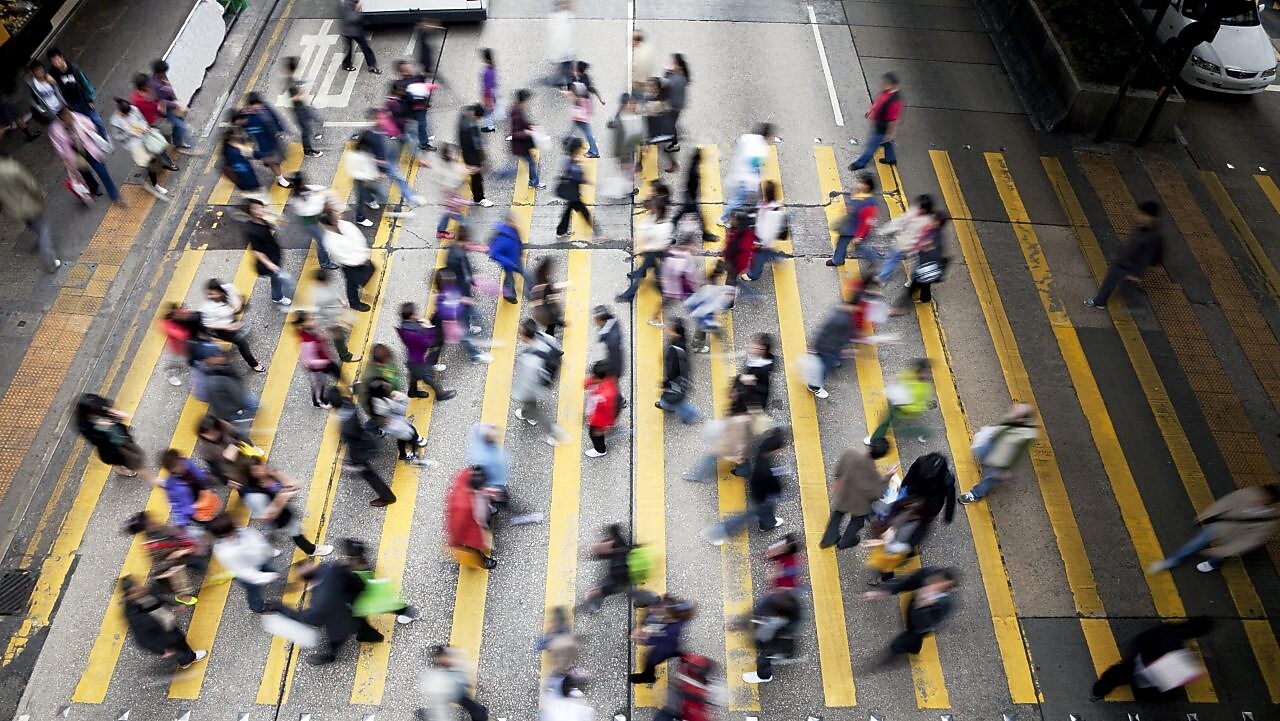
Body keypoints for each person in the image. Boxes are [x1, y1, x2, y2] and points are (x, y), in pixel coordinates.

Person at [1147, 484, 1280, 574]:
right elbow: (1224, 503)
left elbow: (1250, 541)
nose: (1255, 498)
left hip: (1234, 539)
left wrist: (1225, 550)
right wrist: (1208, 514)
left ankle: (1214, 563)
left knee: (1220, 554)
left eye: (1261, 499)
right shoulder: (1247, 494)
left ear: (1269, 502)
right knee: (1194, 544)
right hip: (1219, 527)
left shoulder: (1269, 520)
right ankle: (1172, 560)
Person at [1090, 618, 1213, 700]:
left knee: (1117, 675)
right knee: (1128, 678)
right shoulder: (1175, 648)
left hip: (1140, 657)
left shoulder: (1168, 633)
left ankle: (1099, 691)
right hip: (1150, 669)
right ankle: (1101, 690)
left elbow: (1147, 637)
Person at [704, 426, 789, 544]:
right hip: (763, 495)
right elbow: (771, 482)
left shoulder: (762, 449)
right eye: (779, 449)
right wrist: (778, 490)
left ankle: (767, 523)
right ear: (774, 449)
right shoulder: (766, 468)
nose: (780, 451)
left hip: (757, 489)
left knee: (764, 511)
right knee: (749, 516)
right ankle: (720, 531)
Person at [291, 552, 379, 665]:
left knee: (336, 641)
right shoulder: (330, 568)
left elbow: (314, 618)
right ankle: (372, 636)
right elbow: (351, 577)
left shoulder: (318, 598)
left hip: (341, 621)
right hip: (353, 607)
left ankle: (330, 656)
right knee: (362, 626)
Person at [860, 566, 958, 666]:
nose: (934, 585)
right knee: (913, 638)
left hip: (920, 626)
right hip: (911, 615)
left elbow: (924, 625)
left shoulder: (945, 604)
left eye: (940, 585)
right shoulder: (926, 575)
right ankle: (913, 649)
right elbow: (906, 584)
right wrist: (880, 593)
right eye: (937, 581)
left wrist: (922, 604)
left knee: (903, 641)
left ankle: (893, 654)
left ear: (948, 588)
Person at [240, 460, 334, 556]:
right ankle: (311, 550)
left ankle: (273, 535)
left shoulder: (269, 474)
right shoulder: (256, 495)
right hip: (280, 519)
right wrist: (281, 499)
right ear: (252, 475)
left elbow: (292, 484)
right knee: (297, 532)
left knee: (294, 527)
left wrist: (279, 477)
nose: (262, 469)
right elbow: (267, 517)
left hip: (285, 509)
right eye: (256, 470)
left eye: (260, 465)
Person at [1084, 200, 1165, 308]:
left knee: (1123, 286)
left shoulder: (1151, 237)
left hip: (1128, 266)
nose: (1138, 216)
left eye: (1142, 215)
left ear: (1151, 218)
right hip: (1123, 262)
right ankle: (1100, 301)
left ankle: (1136, 306)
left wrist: (1136, 274)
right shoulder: (1142, 228)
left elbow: (1145, 258)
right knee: (1112, 282)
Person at [119, 576, 207, 669]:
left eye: (137, 586)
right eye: (135, 591)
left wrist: (173, 606)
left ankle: (185, 657)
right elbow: (142, 640)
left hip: (165, 623)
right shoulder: (133, 615)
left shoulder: (143, 593)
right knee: (178, 645)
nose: (139, 590)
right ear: (129, 596)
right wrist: (162, 651)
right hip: (160, 634)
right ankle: (188, 660)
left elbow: (158, 599)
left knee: (180, 639)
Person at [822, 437, 894, 549]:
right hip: (860, 504)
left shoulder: (850, 453)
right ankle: (846, 541)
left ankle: (828, 539)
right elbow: (877, 494)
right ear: (881, 456)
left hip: (844, 493)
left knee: (837, 515)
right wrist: (887, 477)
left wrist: (838, 479)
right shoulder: (874, 476)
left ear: (870, 446)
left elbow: (839, 469)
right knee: (857, 522)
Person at [958, 403, 1038, 504]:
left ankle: (975, 494)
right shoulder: (1014, 419)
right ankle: (987, 463)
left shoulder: (1024, 436)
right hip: (995, 446)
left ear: (1022, 419)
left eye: (1017, 411)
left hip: (1001, 460)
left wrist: (1006, 469)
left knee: (990, 478)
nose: (1013, 410)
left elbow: (1016, 455)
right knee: (981, 452)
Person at [512, 318, 570, 446]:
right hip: (549, 377)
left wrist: (517, 395)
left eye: (520, 332)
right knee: (530, 406)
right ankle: (528, 414)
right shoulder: (546, 338)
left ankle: (553, 433)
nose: (519, 334)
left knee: (533, 407)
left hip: (535, 386)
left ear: (525, 336)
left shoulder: (529, 359)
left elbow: (526, 384)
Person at [125, 512, 204, 606]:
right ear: (145, 527)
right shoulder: (153, 544)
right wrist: (184, 551)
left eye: (149, 519)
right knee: (178, 578)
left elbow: (174, 535)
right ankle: (182, 596)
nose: (152, 521)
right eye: (148, 522)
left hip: (178, 553)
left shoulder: (156, 529)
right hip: (169, 565)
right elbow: (168, 559)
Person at [207, 512, 279, 613]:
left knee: (271, 570)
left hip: (260, 560)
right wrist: (266, 577)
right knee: (253, 590)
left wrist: (267, 550)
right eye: (233, 526)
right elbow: (245, 573)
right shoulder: (226, 552)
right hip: (248, 573)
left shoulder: (239, 531)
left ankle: (274, 580)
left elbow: (256, 538)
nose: (237, 525)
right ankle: (257, 607)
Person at [683, 385, 756, 483]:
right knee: (741, 460)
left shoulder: (739, 419)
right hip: (732, 440)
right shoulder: (743, 410)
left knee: (711, 456)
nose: (731, 393)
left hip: (730, 443)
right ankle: (744, 470)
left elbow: (739, 438)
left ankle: (696, 475)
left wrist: (739, 454)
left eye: (734, 392)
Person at [76, 393, 155, 483]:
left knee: (124, 459)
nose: (103, 409)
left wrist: (114, 415)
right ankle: (153, 480)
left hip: (120, 438)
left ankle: (120, 467)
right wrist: (101, 427)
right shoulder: (85, 426)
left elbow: (116, 415)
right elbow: (95, 440)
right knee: (135, 461)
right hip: (114, 447)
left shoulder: (101, 408)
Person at [0, 154, 60, 272]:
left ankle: (41, 239)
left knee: (33, 224)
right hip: (29, 204)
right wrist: (39, 197)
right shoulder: (14, 168)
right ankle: (50, 261)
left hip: (14, 209)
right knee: (44, 229)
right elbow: (31, 185)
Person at [49, 107, 120, 205]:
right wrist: (64, 158)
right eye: (67, 116)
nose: (70, 117)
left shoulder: (77, 117)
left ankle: (114, 194)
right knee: (85, 172)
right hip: (74, 154)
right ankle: (94, 188)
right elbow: (58, 146)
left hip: (88, 148)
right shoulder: (55, 129)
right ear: (61, 118)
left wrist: (89, 131)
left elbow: (91, 125)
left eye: (69, 113)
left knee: (102, 171)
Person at [110, 97, 176, 201]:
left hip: (144, 138)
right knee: (150, 163)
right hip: (134, 145)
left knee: (152, 160)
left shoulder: (133, 110)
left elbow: (142, 119)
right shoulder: (115, 121)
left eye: (128, 113)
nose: (128, 115)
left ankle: (150, 177)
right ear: (120, 112)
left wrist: (144, 127)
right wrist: (129, 133)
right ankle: (155, 185)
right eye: (125, 114)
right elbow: (117, 136)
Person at [616, 192, 674, 302]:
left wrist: (643, 248)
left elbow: (662, 245)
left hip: (657, 254)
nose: (650, 210)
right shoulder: (653, 218)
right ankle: (641, 278)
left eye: (652, 208)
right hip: (651, 252)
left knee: (657, 276)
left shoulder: (665, 226)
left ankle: (630, 294)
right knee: (650, 272)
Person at [740, 587, 803, 684]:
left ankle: (764, 676)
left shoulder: (781, 621)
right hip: (773, 635)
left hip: (773, 640)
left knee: (764, 657)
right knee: (768, 650)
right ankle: (777, 656)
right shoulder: (784, 605)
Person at [200, 279, 265, 371]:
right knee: (242, 342)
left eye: (214, 293)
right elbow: (208, 324)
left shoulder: (228, 288)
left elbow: (237, 296)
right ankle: (254, 364)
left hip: (230, 318)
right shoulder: (207, 307)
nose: (212, 296)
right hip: (222, 329)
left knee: (242, 327)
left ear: (220, 290)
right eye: (210, 294)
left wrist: (238, 303)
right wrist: (227, 327)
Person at [865, 358, 934, 445]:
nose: (922, 374)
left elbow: (918, 406)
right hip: (899, 403)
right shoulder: (913, 373)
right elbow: (903, 377)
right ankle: (924, 432)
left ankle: (924, 432)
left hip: (904, 409)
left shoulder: (924, 389)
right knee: (888, 423)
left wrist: (904, 406)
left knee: (896, 428)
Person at [397, 302, 457, 401]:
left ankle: (412, 392)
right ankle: (440, 394)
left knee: (414, 374)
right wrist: (429, 327)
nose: (417, 314)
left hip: (412, 357)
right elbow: (429, 342)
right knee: (429, 376)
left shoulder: (404, 326)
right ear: (411, 316)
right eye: (415, 313)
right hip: (420, 359)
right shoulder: (414, 331)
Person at [892, 210, 948, 314]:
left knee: (912, 288)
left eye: (934, 220)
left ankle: (900, 308)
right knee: (925, 284)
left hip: (925, 267)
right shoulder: (933, 232)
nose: (932, 220)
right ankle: (926, 298)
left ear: (938, 223)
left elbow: (935, 254)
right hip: (926, 267)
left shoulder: (936, 237)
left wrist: (927, 247)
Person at [367, 378, 433, 464]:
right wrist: (400, 399)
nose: (388, 386)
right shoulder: (382, 404)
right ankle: (414, 454)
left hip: (395, 421)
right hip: (396, 424)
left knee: (404, 436)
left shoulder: (379, 400)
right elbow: (401, 411)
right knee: (409, 434)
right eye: (385, 386)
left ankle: (404, 453)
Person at [630, 596, 694, 684]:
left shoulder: (671, 630)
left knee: (651, 661)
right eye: (658, 607)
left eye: (661, 613)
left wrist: (641, 638)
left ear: (671, 619)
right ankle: (682, 655)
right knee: (675, 650)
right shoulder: (671, 609)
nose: (653, 610)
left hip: (665, 647)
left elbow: (655, 639)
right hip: (670, 643)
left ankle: (648, 677)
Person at [242, 198, 295, 305]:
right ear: (251, 212)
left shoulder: (262, 220)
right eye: (257, 208)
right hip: (268, 261)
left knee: (276, 278)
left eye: (261, 207)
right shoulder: (252, 230)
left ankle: (277, 294)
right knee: (276, 279)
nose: (261, 210)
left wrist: (277, 220)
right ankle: (277, 297)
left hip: (273, 254)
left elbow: (277, 225)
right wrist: (269, 264)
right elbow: (256, 251)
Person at [445, 466, 499, 569]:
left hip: (478, 512)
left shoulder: (466, 476)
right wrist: (455, 542)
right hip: (472, 528)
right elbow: (456, 526)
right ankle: (482, 561)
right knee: (475, 548)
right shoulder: (462, 506)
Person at [321, 209, 375, 311]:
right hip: (350, 265)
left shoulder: (344, 225)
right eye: (335, 215)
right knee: (352, 283)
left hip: (361, 258)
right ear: (332, 222)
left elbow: (358, 237)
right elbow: (342, 257)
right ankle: (354, 302)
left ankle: (360, 285)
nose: (338, 214)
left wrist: (364, 253)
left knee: (368, 272)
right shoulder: (330, 240)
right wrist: (360, 260)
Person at [719, 123, 773, 225]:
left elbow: (738, 141)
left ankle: (755, 217)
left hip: (739, 172)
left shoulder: (748, 138)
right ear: (767, 136)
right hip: (746, 179)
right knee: (738, 200)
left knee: (750, 200)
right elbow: (754, 167)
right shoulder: (762, 148)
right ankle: (723, 218)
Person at [46, 49, 105, 138]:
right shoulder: (53, 71)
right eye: (54, 62)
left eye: (58, 60)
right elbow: (47, 76)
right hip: (72, 104)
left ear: (62, 58)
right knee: (84, 125)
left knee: (97, 121)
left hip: (84, 100)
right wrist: (48, 78)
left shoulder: (74, 68)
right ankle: (94, 140)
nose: (57, 63)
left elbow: (84, 84)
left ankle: (104, 138)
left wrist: (89, 98)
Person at [876, 194, 934, 285]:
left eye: (922, 208)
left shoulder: (927, 221)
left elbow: (922, 237)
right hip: (901, 242)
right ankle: (883, 278)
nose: (919, 209)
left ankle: (912, 281)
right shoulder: (914, 210)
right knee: (892, 259)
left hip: (912, 247)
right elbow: (901, 221)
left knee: (913, 266)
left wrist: (914, 247)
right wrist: (887, 229)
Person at [849, 72, 902, 171]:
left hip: (882, 128)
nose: (882, 84)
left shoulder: (895, 101)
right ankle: (891, 159)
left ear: (892, 84)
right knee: (887, 143)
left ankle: (860, 163)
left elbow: (893, 120)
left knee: (871, 147)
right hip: (880, 124)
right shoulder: (886, 92)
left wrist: (890, 133)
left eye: (885, 82)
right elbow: (878, 102)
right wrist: (871, 109)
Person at [419, 646, 489, 721]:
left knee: (480, 712)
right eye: (441, 659)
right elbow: (440, 702)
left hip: (458, 694)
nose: (446, 660)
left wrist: (478, 685)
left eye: (445, 657)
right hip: (443, 697)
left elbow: (466, 681)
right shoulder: (436, 677)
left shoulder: (458, 663)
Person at [805, 300, 855, 399]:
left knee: (824, 364)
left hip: (831, 348)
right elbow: (825, 333)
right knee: (823, 368)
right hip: (829, 349)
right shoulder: (842, 319)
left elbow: (824, 332)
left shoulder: (839, 315)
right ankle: (814, 386)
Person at [827, 172, 879, 267]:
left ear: (867, 186)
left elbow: (866, 223)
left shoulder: (869, 204)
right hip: (850, 226)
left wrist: (860, 237)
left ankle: (838, 260)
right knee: (844, 244)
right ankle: (838, 260)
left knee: (854, 246)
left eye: (861, 183)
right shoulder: (860, 194)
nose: (858, 184)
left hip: (855, 230)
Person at [581, 524, 637, 612]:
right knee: (610, 587)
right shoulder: (620, 545)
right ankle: (592, 599)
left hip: (621, 570)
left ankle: (593, 600)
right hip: (624, 571)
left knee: (608, 586)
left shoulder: (618, 544)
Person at [656, 318, 700, 424]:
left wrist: (666, 382)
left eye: (671, 330)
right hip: (678, 380)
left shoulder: (676, 349)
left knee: (676, 402)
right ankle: (667, 405)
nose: (668, 330)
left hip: (676, 382)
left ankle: (691, 415)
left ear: (677, 333)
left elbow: (673, 370)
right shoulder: (679, 343)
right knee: (673, 400)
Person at [242, 92, 291, 188]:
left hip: (275, 139)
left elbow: (275, 118)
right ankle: (281, 180)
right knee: (274, 162)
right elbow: (247, 130)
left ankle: (271, 165)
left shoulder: (266, 107)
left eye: (258, 104)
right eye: (254, 105)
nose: (257, 107)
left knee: (279, 157)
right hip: (264, 144)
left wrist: (281, 130)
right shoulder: (248, 118)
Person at [311, 267, 360, 363]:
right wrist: (328, 325)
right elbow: (319, 313)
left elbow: (334, 291)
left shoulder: (327, 285)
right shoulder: (319, 297)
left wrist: (341, 300)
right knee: (339, 339)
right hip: (332, 320)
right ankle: (345, 355)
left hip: (338, 313)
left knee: (343, 330)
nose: (329, 281)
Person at [159, 448, 213, 532]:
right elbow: (176, 505)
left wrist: (205, 477)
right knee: (207, 522)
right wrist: (182, 522)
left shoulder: (186, 463)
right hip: (193, 507)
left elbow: (197, 472)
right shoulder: (172, 486)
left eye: (179, 460)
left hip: (199, 491)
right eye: (177, 465)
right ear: (171, 470)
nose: (181, 465)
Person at [744, 180, 788, 281]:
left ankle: (753, 275)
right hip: (764, 240)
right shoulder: (770, 206)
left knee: (759, 258)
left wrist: (759, 243)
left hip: (762, 241)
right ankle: (777, 256)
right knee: (767, 251)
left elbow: (767, 232)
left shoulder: (772, 213)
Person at [294, 312, 339, 408]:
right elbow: (307, 362)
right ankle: (318, 402)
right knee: (319, 386)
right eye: (309, 320)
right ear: (303, 324)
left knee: (336, 370)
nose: (313, 321)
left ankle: (348, 385)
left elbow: (321, 337)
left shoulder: (313, 329)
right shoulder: (305, 342)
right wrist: (324, 362)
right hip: (317, 368)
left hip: (325, 359)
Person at [282, 56, 323, 158]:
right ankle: (308, 151)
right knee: (305, 129)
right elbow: (293, 98)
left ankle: (315, 130)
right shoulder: (290, 83)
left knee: (312, 118)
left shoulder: (290, 79)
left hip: (301, 108)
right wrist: (302, 91)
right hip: (298, 110)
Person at [150, 60, 194, 152]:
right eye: (164, 72)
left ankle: (177, 140)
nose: (165, 74)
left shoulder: (161, 77)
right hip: (166, 109)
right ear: (159, 72)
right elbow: (162, 101)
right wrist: (175, 104)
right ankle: (178, 144)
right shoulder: (155, 86)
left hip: (171, 104)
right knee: (181, 125)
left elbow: (169, 88)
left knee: (179, 121)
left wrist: (175, 99)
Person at [554, 137, 593, 240]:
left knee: (568, 211)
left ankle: (561, 231)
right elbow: (577, 176)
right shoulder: (570, 161)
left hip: (571, 191)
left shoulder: (568, 158)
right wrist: (586, 180)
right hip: (572, 192)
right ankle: (597, 233)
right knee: (584, 212)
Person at [392, 59, 434, 152]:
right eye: (406, 68)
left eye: (409, 67)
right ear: (401, 72)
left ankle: (423, 143)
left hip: (420, 110)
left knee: (423, 126)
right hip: (409, 113)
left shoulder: (418, 77)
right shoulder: (399, 84)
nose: (409, 69)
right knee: (412, 131)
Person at [505, 88, 543, 189]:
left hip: (521, 144)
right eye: (528, 100)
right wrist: (528, 132)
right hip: (520, 145)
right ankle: (533, 182)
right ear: (524, 100)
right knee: (519, 166)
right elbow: (515, 132)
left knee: (528, 162)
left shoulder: (518, 109)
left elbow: (523, 124)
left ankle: (533, 181)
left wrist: (531, 126)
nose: (529, 102)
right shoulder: (517, 112)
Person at [427, 145, 467, 240]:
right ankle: (465, 231)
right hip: (450, 195)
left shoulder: (449, 163)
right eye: (451, 152)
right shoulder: (444, 166)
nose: (453, 154)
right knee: (456, 215)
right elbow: (447, 180)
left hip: (451, 194)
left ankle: (440, 231)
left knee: (448, 213)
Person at [566, 61, 603, 158]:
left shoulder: (583, 79)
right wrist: (601, 99)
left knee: (586, 130)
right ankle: (566, 139)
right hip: (580, 108)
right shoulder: (577, 77)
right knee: (576, 126)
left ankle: (594, 151)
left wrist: (570, 95)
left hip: (582, 108)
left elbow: (586, 91)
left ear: (578, 70)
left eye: (575, 69)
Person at [676, 147, 714, 242]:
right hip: (691, 198)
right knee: (697, 216)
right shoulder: (694, 170)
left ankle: (706, 235)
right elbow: (691, 184)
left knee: (680, 214)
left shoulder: (693, 166)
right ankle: (706, 235)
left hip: (690, 196)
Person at [642, 76, 678, 173]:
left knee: (661, 148)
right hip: (656, 130)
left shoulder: (658, 102)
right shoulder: (653, 98)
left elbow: (650, 116)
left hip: (658, 131)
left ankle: (674, 164)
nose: (648, 88)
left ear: (656, 88)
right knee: (655, 148)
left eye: (650, 86)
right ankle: (639, 164)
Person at [584, 360, 620, 458]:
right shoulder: (609, 379)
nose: (593, 378)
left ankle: (600, 450)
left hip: (599, 420)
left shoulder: (606, 396)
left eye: (595, 377)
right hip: (597, 412)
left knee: (594, 434)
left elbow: (606, 414)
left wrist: (602, 427)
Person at [458, 104, 492, 206]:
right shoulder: (467, 127)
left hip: (472, 154)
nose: (479, 120)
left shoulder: (465, 118)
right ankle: (479, 198)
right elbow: (470, 145)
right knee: (476, 177)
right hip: (471, 156)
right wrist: (476, 162)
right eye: (479, 117)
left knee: (476, 176)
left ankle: (478, 197)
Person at [488, 212, 525, 303]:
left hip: (515, 258)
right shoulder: (502, 237)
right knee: (509, 279)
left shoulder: (513, 229)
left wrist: (520, 251)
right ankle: (508, 295)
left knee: (525, 274)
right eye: (512, 221)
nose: (515, 223)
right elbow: (494, 254)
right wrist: (508, 262)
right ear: (508, 222)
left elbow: (518, 241)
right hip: (509, 263)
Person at [466, 422, 509, 498]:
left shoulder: (478, 441)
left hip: (487, 478)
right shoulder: (489, 457)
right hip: (491, 481)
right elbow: (497, 472)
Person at [735, 333, 775, 410]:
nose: (752, 346)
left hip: (754, 401)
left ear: (762, 350)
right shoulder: (759, 358)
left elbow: (748, 380)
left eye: (756, 346)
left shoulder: (761, 369)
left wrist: (740, 379)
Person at [338, 0, 381, 74]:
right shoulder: (345, 4)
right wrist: (357, 9)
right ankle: (346, 65)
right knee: (349, 49)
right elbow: (349, 18)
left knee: (366, 47)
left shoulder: (353, 2)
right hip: (348, 32)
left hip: (356, 30)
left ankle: (372, 66)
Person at [219, 128, 262, 196]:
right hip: (250, 188)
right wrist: (254, 187)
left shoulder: (235, 148)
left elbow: (252, 153)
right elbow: (244, 171)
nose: (242, 135)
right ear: (232, 137)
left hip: (248, 187)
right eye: (239, 133)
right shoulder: (234, 153)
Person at [529, 257, 566, 337]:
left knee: (553, 323)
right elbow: (548, 299)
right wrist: (556, 290)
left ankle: (557, 323)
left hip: (542, 312)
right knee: (551, 326)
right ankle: (550, 336)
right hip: (546, 315)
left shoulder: (539, 278)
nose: (554, 270)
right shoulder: (544, 285)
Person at [545, 0, 576, 88]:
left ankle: (563, 80)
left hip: (564, 49)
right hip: (562, 49)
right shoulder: (557, 16)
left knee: (566, 64)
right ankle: (563, 80)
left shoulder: (566, 15)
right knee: (565, 64)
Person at [593, 305, 625, 378]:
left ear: (602, 321)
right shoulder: (611, 321)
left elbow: (616, 360)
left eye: (596, 319)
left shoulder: (612, 341)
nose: (594, 321)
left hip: (613, 368)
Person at [478, 49, 499, 134]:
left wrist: (485, 97)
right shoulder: (492, 67)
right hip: (493, 92)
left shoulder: (486, 71)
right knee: (489, 110)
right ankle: (490, 125)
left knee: (487, 110)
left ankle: (490, 127)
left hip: (488, 94)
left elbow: (487, 86)